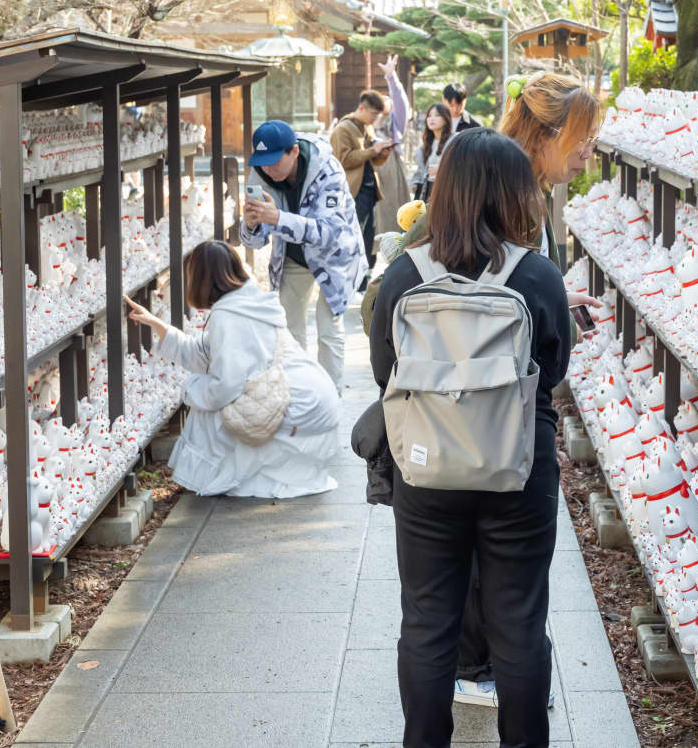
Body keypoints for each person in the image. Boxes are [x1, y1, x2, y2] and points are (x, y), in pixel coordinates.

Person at [370, 128, 571, 748]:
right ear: (514, 195)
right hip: (517, 468)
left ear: (446, 191)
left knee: (428, 622)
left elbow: (385, 372)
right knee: (519, 624)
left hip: (426, 472)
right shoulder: (535, 275)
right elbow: (554, 368)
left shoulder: (406, 273)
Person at [123, 242, 338, 498]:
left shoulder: (228, 316)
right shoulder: (247, 301)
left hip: (300, 409)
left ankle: (212, 478)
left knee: (207, 411)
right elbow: (203, 354)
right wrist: (156, 324)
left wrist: (187, 390)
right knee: (206, 396)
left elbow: (224, 388)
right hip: (316, 399)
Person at [241, 119, 365, 395]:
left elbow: (330, 232)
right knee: (289, 331)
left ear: (294, 151)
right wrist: (250, 224)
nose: (268, 169)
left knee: (328, 328)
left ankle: (331, 397)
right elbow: (255, 241)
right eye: (262, 161)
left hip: (335, 257)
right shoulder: (259, 175)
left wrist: (278, 218)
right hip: (293, 256)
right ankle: (298, 394)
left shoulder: (327, 169)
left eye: (275, 161)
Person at [500, 71, 602, 267]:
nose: (588, 153)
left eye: (592, 140)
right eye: (583, 139)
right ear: (540, 135)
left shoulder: (532, 187)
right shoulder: (504, 198)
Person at [331, 90, 393, 283]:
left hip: (368, 190)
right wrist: (371, 151)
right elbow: (343, 160)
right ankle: (352, 282)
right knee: (354, 238)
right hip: (353, 191)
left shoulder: (365, 127)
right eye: (374, 113)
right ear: (361, 108)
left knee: (367, 238)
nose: (376, 118)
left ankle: (363, 282)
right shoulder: (343, 129)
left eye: (378, 115)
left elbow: (371, 161)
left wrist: (381, 153)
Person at [372, 54, 412, 235]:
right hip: (369, 169)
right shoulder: (366, 123)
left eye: (387, 102)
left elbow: (401, 103)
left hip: (390, 166)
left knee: (392, 209)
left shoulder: (394, 123)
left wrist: (391, 77)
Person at [410, 103, 452, 202]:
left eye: (437, 115)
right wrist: (415, 182)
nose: (431, 119)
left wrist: (441, 170)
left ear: (446, 119)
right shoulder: (424, 146)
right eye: (429, 115)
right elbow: (421, 171)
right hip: (427, 191)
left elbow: (462, 167)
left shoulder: (454, 141)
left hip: (446, 192)